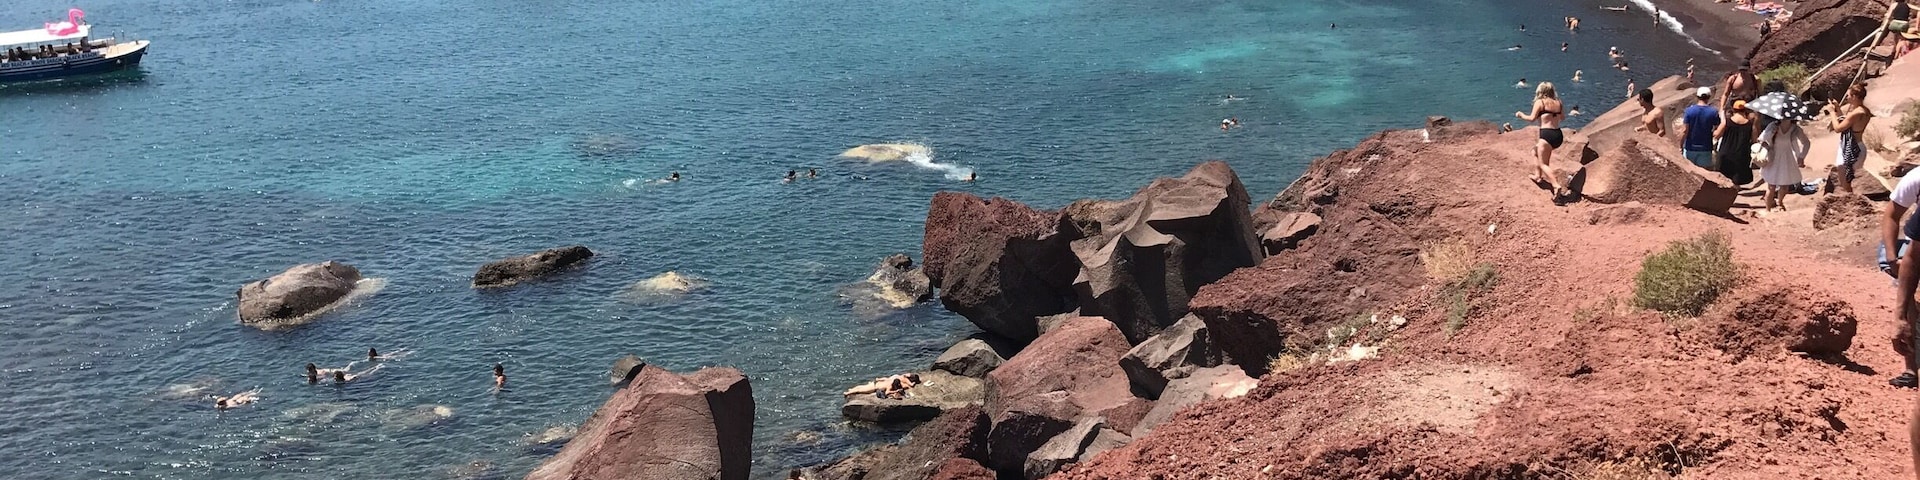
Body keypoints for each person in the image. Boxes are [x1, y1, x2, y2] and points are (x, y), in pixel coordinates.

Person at [1883, 169, 1920, 388]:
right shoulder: (1916, 179)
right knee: (1908, 299)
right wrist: (1891, 257)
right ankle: (1910, 367)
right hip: (1913, 247)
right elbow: (1891, 215)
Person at [1516, 82, 1573, 204]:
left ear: (1540, 91)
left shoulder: (1540, 102)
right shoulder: (1558, 102)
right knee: (1534, 151)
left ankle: (1556, 185)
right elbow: (1562, 118)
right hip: (1558, 135)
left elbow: (1531, 118)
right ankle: (1538, 176)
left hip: (1546, 135)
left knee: (1544, 164)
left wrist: (1521, 115)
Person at [1824, 83, 1873, 195]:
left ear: (1854, 97)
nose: (1846, 97)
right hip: (1853, 146)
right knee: (1847, 181)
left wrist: (1832, 112)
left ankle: (1852, 202)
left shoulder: (1856, 113)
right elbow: (1846, 122)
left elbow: (1838, 128)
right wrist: (1837, 108)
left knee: (1846, 183)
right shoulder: (1863, 110)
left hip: (1851, 149)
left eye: (1848, 95)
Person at [1757, 112, 1809, 211]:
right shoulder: (1773, 126)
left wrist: (1801, 156)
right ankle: (1767, 209)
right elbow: (1761, 140)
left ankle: (1780, 202)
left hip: (1787, 158)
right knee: (1771, 186)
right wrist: (1769, 146)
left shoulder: (1795, 129)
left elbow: (1806, 143)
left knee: (1784, 185)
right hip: (1773, 157)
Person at [1715, 100, 1758, 187]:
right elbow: (1754, 140)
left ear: (1733, 109)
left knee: (1725, 176)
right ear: (1745, 110)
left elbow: (1717, 135)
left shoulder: (1726, 122)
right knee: (1737, 177)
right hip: (1742, 153)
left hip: (1726, 152)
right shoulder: (1750, 124)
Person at [1681, 87, 1721, 169]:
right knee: (1704, 173)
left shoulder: (1689, 111)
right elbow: (1717, 128)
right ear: (1709, 97)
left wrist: (1680, 145)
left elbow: (1685, 131)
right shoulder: (1713, 112)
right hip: (1705, 148)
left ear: (1697, 96)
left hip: (1690, 147)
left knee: (1688, 173)